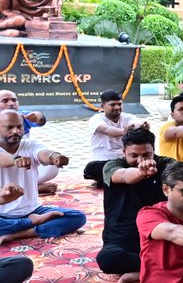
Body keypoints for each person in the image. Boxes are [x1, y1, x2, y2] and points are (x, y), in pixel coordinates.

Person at [97, 126, 171, 283]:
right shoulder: (112, 166)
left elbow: (181, 175)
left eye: (146, 155)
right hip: (121, 238)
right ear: (124, 152)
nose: (140, 160)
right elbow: (124, 176)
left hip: (157, 234)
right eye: (134, 155)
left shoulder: (165, 164)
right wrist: (142, 172)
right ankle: (162, 268)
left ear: (153, 150)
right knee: (107, 259)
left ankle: (143, 271)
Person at [0, 109, 86, 244]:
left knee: (77, 217)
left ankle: (13, 234)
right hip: (2, 216)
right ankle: (34, 224)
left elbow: (43, 153)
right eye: (9, 127)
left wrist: (55, 157)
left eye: (19, 127)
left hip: (33, 210)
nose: (16, 131)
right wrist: (15, 160)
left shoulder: (30, 145)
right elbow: (3, 158)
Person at [83, 89, 147, 183]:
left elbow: (136, 124)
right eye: (112, 105)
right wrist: (124, 131)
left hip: (123, 162)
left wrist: (142, 127)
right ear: (102, 106)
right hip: (104, 163)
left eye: (120, 104)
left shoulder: (128, 117)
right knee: (91, 168)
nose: (117, 107)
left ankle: (118, 178)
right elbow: (107, 130)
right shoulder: (96, 119)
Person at [0, 90, 57, 192]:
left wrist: (38, 116)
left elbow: (40, 120)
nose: (11, 103)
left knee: (51, 166)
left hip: (23, 162)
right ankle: (33, 188)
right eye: (5, 101)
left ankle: (29, 187)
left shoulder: (22, 116)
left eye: (14, 100)